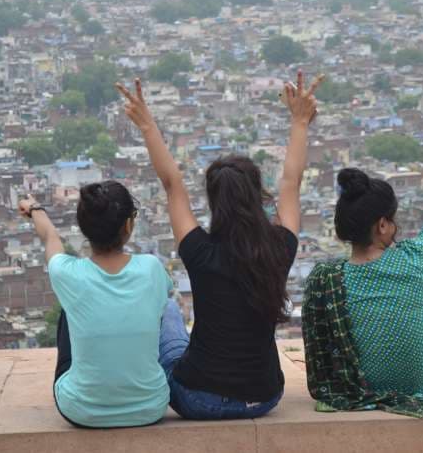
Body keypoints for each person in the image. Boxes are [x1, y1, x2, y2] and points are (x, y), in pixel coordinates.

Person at [115, 71, 321, 420]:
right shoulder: (279, 248)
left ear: (213, 200)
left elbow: (172, 184)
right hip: (265, 396)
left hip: (199, 399)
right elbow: (291, 183)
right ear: (258, 196)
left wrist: (147, 126)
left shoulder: (200, 251)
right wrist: (300, 120)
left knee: (167, 314)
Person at [302, 168, 423, 418]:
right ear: (382, 225)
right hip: (420, 385)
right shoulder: (415, 258)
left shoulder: (329, 278)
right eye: (392, 219)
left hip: (359, 385)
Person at [18, 182, 172, 428]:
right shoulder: (151, 268)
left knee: (72, 310)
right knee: (167, 306)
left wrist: (36, 209)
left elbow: (51, 238)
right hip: (150, 406)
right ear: (129, 225)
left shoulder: (69, 274)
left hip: (82, 409)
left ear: (84, 228)